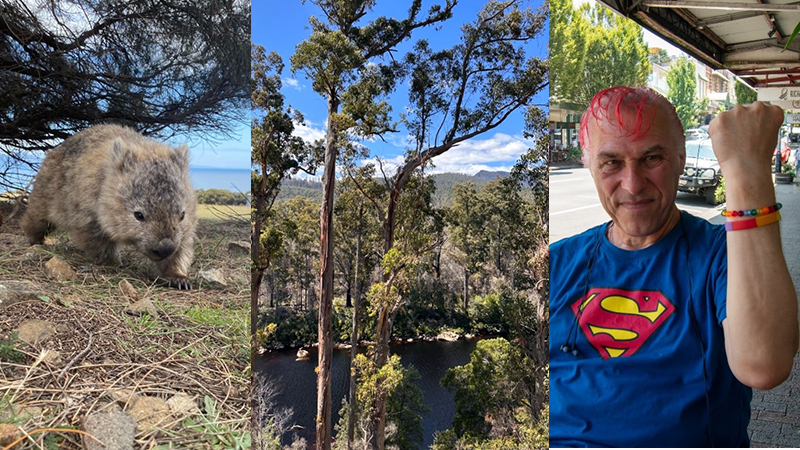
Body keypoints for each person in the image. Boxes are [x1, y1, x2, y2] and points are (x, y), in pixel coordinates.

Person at [549, 86, 799, 447]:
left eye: (652, 158)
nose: (633, 185)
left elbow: (764, 365)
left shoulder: (724, 255)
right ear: (589, 164)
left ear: (681, 159)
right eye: (612, 163)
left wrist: (746, 169)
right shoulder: (557, 261)